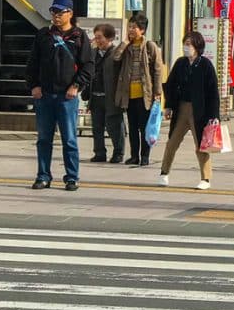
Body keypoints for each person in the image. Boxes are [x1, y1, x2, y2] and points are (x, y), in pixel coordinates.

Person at [26, 0, 94, 191]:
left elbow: (88, 66)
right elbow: (32, 63)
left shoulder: (79, 36)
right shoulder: (43, 35)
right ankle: (43, 176)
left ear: (70, 14)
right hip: (45, 95)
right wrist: (33, 86)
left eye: (60, 12)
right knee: (44, 139)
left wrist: (76, 86)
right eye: (53, 11)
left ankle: (72, 177)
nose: (56, 15)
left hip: (67, 97)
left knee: (69, 139)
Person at [157, 31, 220, 190]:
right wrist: (169, 105)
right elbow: (170, 85)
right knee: (172, 142)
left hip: (200, 110)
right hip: (181, 108)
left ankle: (205, 178)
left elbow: (213, 92)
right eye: (185, 44)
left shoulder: (205, 65)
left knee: (201, 144)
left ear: (197, 46)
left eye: (189, 45)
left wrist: (214, 116)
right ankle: (164, 172)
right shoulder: (180, 63)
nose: (186, 48)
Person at [113, 12, 164, 167]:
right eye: (129, 27)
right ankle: (134, 155)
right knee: (133, 127)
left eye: (134, 27)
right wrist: (125, 42)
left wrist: (157, 92)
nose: (131, 30)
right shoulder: (127, 46)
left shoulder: (150, 46)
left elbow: (157, 70)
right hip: (129, 94)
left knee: (145, 127)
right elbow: (115, 57)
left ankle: (145, 156)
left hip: (145, 94)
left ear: (142, 29)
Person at [89, 24, 125, 163]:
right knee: (97, 127)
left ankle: (118, 152)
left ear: (109, 38)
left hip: (111, 96)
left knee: (114, 126)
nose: (97, 40)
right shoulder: (93, 53)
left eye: (100, 37)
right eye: (96, 37)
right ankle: (99, 152)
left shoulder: (116, 53)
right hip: (95, 95)